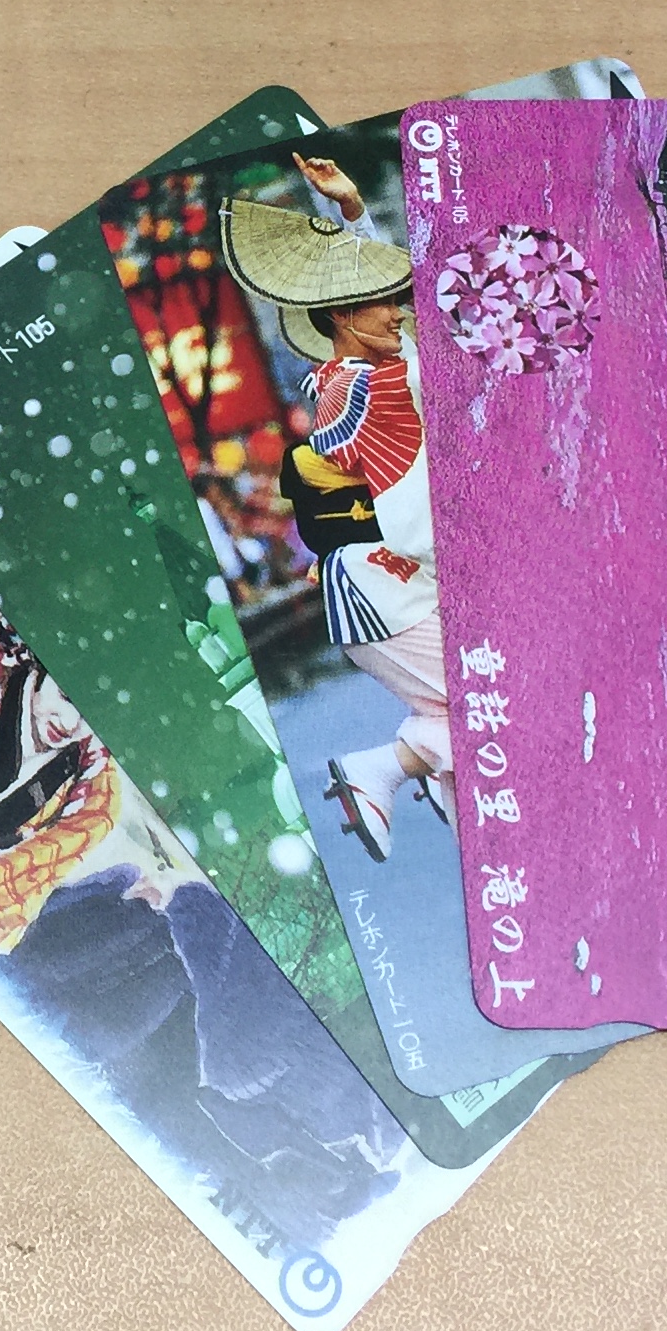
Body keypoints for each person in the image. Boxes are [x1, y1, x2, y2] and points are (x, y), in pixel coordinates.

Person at [223, 150, 452, 861]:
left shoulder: (361, 375)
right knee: (499, 700)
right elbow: (423, 347)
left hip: (399, 585)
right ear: (346, 316)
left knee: (486, 714)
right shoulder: (368, 388)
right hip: (389, 592)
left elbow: (401, 323)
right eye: (382, 305)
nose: (398, 313)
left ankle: (430, 778)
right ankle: (383, 768)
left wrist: (349, 210)